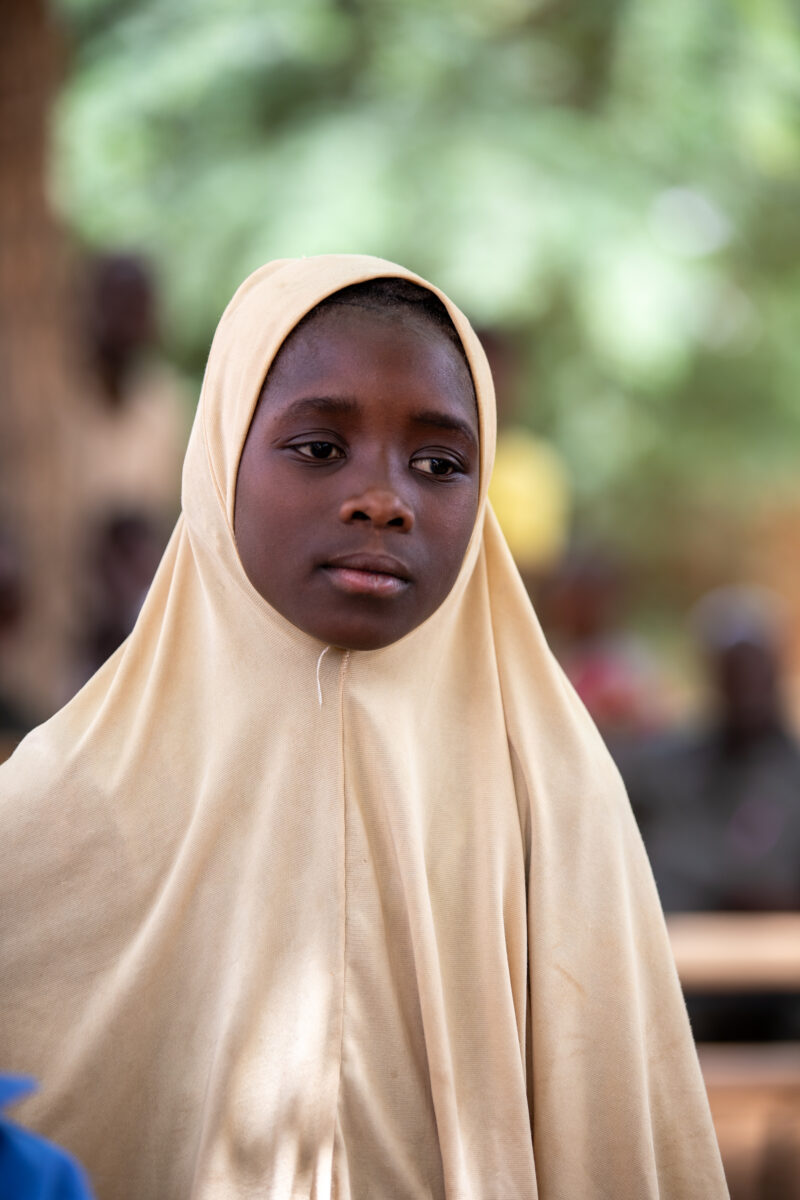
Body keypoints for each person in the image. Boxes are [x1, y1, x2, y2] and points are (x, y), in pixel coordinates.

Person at [0, 256, 727, 1199]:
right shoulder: (52, 807)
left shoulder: (549, 794)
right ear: (221, 459)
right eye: (318, 448)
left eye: (439, 464)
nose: (383, 498)